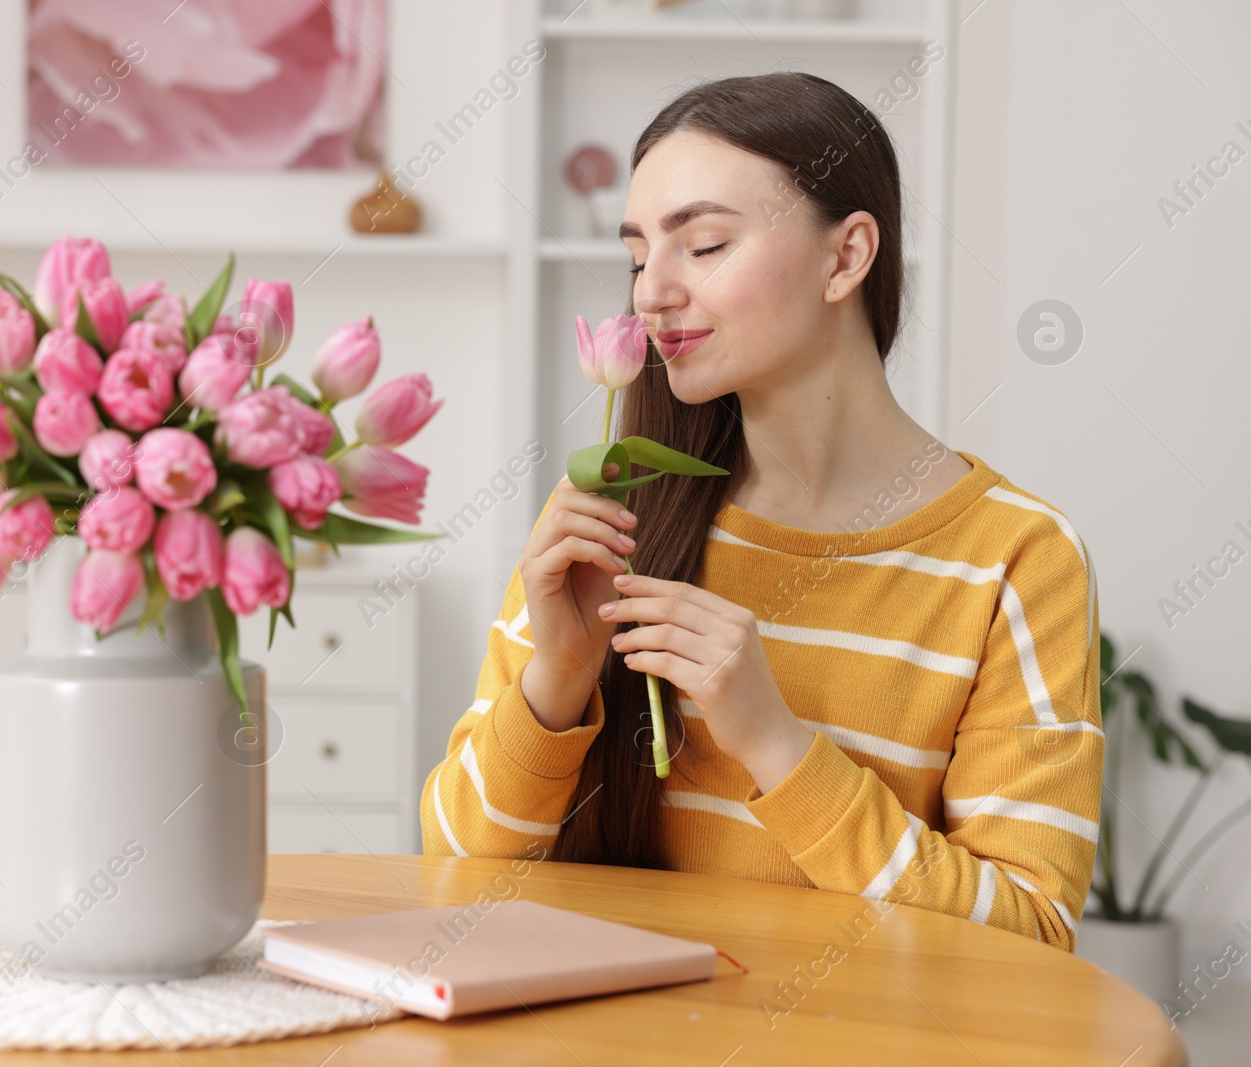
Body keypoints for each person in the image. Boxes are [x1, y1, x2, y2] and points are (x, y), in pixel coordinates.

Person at [420, 72, 1101, 951]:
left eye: (702, 246)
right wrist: (558, 678)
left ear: (846, 256)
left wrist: (779, 746)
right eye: (636, 257)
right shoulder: (612, 518)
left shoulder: (1017, 556)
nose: (648, 293)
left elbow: (1031, 939)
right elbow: (454, 870)